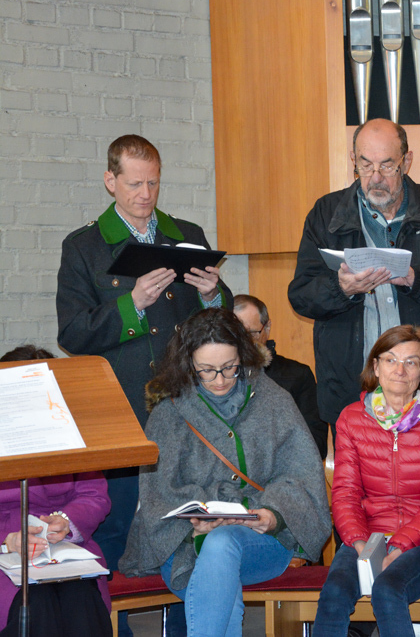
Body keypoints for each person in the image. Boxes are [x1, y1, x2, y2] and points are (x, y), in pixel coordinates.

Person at [55, 135, 232, 607]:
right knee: (114, 521)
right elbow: (72, 332)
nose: (145, 194)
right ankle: (115, 621)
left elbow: (220, 326)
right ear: (110, 181)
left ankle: (192, 616)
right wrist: (131, 304)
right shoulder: (84, 246)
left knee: (192, 517)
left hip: (186, 404)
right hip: (120, 406)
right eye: (134, 184)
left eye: (153, 182)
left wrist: (212, 294)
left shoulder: (186, 234)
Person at [118, 308, 329, 637]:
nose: (219, 380)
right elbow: (157, 494)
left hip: (260, 540)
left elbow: (299, 474)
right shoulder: (168, 412)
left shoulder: (274, 401)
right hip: (185, 542)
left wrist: (272, 515)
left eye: (230, 367)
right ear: (188, 364)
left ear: (244, 355)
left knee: (220, 543)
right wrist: (197, 522)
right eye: (206, 370)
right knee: (217, 551)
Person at [288, 118, 420, 435]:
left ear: (407, 161)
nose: (376, 178)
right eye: (365, 165)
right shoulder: (325, 213)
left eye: (387, 166)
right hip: (351, 392)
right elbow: (301, 295)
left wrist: (416, 278)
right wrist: (341, 288)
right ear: (353, 160)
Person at [312, 325, 420, 636]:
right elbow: (345, 493)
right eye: (391, 360)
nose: (400, 370)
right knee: (335, 591)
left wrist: (399, 546)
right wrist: (359, 544)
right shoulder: (351, 418)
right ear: (376, 367)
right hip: (368, 536)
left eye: (412, 362)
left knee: (387, 589)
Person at [0, 346, 113, 637]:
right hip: (6, 555)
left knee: (80, 597)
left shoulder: (72, 433)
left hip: (66, 550)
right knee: (36, 602)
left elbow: (94, 495)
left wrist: (65, 521)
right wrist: (8, 541)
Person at [233, 294, 326, 456]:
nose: (242, 342)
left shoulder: (297, 375)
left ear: (267, 328)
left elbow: (317, 445)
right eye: (234, 334)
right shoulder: (214, 378)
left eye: (250, 333)